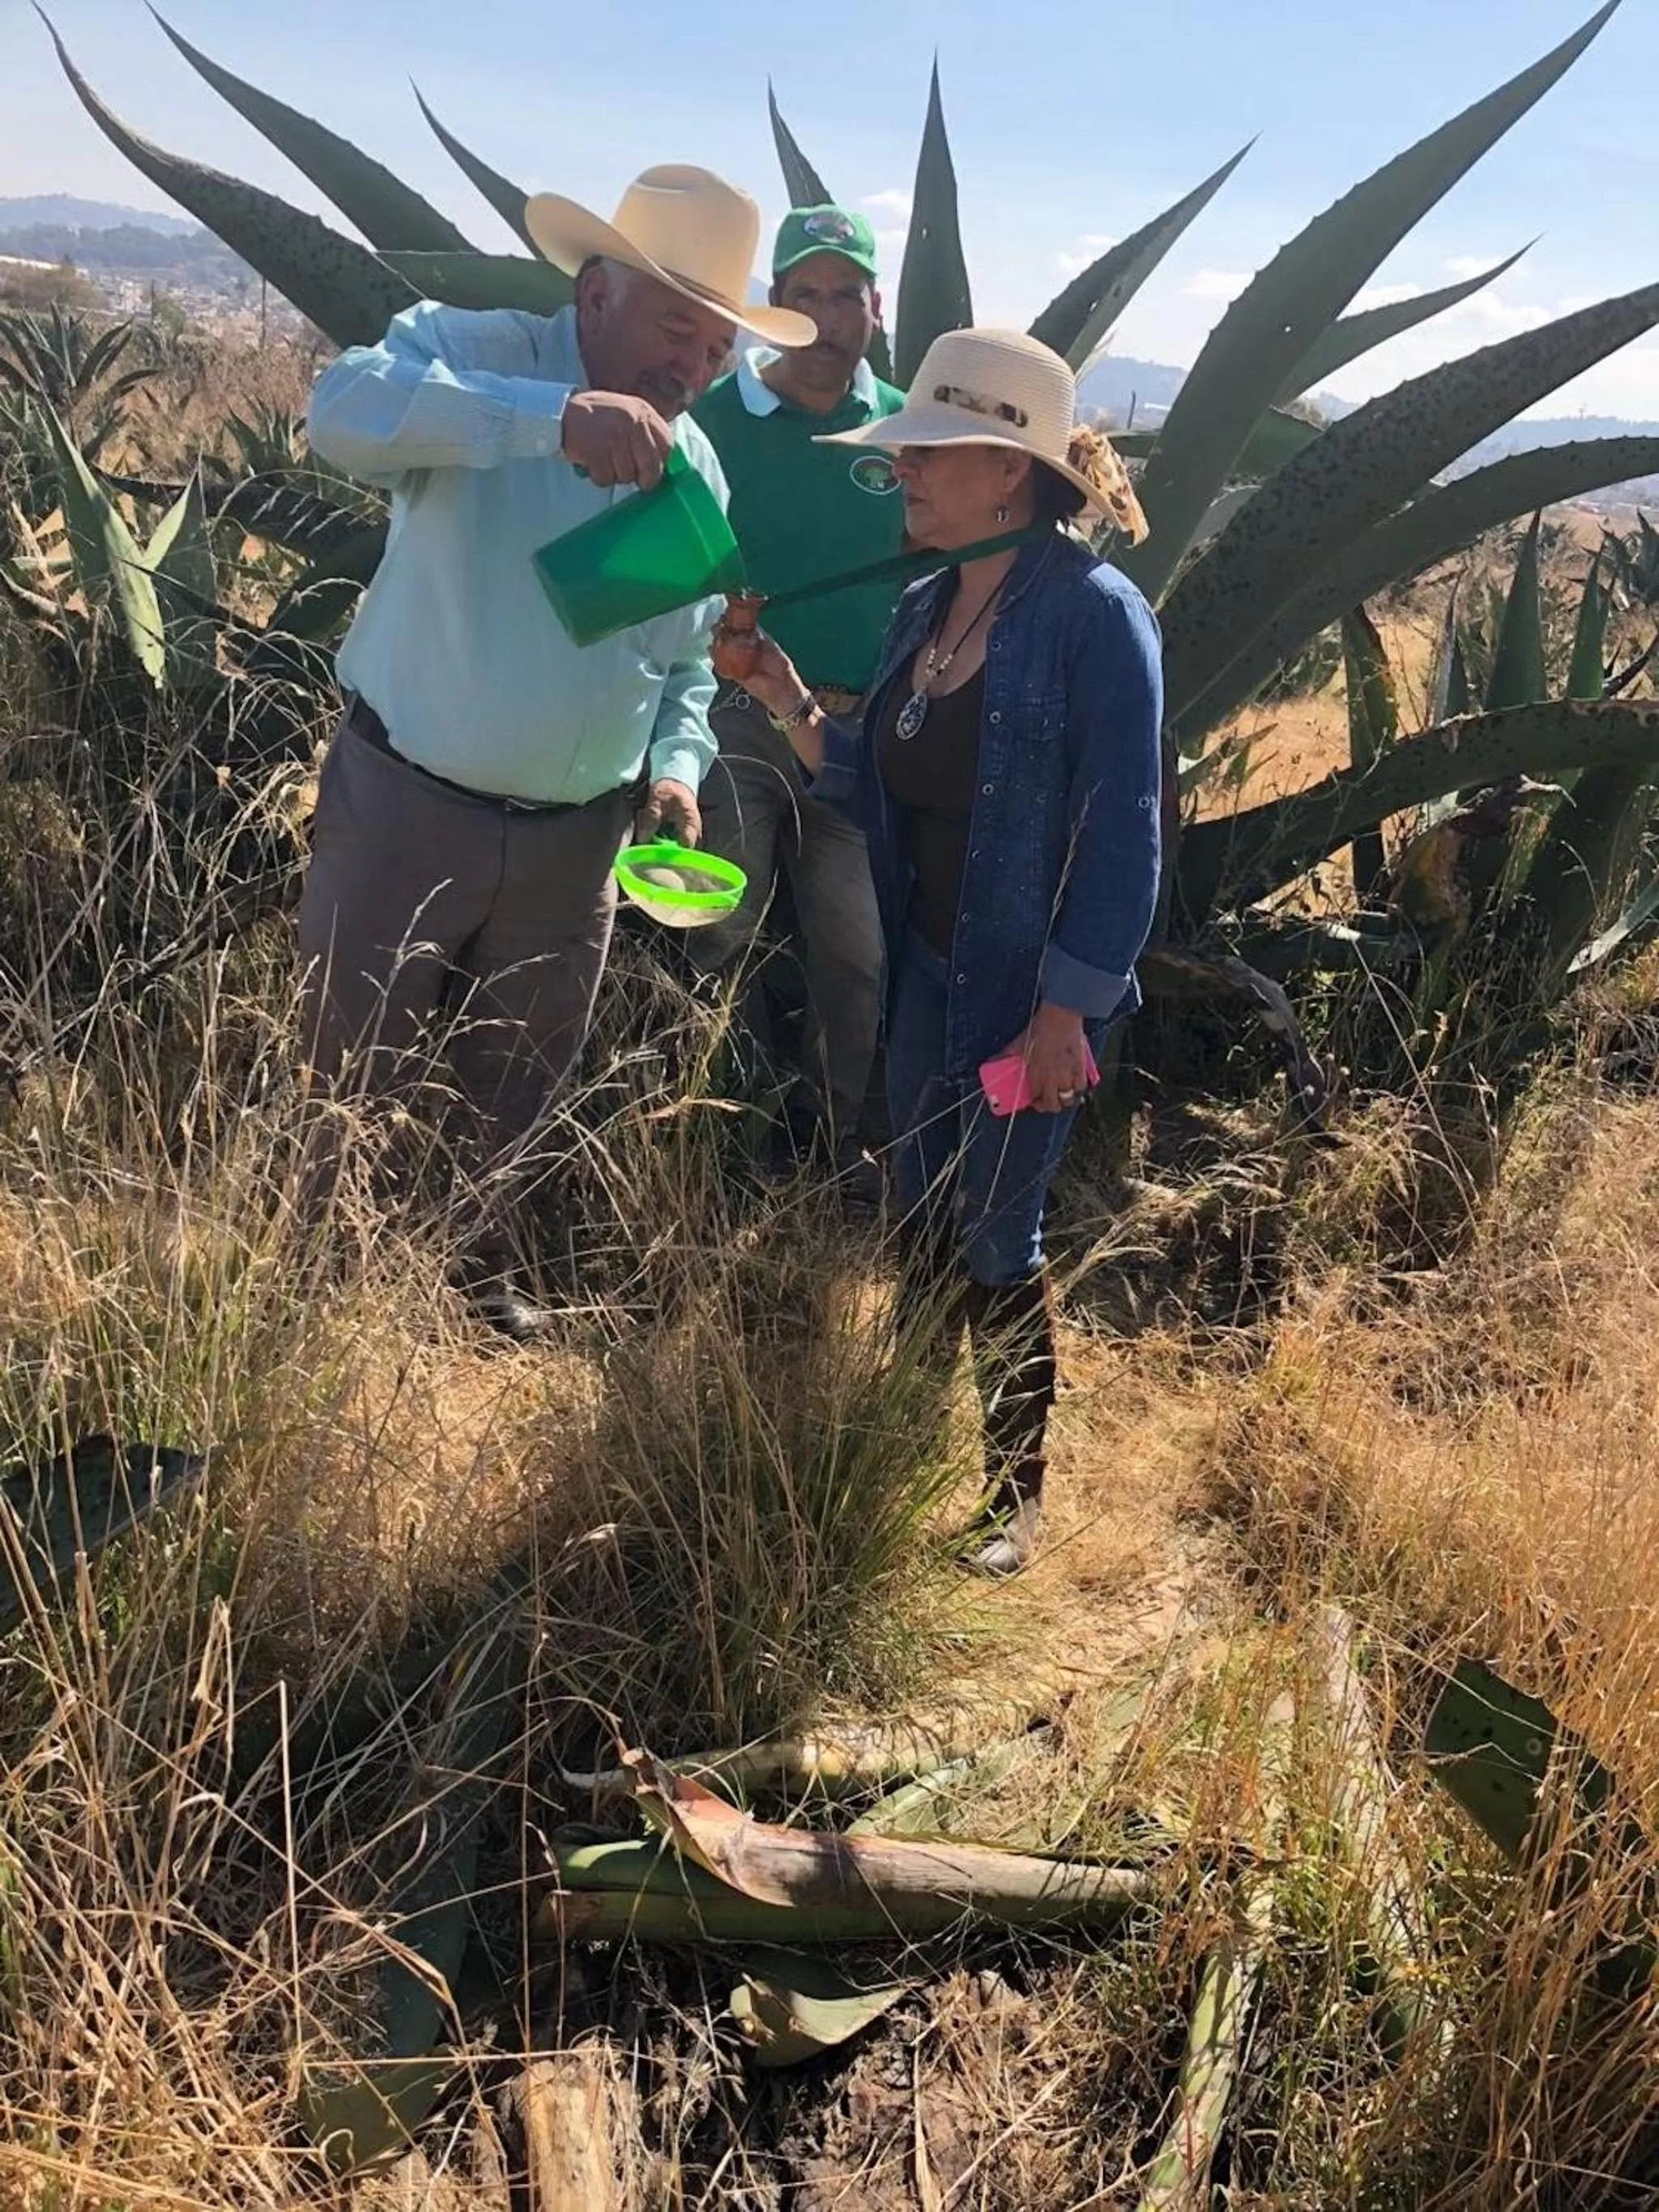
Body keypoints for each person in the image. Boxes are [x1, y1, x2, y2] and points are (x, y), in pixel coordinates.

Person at [298, 167, 812, 1338]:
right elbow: (340, 410)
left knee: (517, 1085)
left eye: (716, 344)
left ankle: (474, 1285)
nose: (692, 363)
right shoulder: (476, 349)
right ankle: (316, 1306)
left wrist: (677, 768)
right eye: (675, 326)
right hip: (407, 803)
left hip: (576, 847)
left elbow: (678, 664)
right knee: (348, 1069)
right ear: (594, 294)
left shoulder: (699, 471)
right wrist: (548, 422)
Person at [712, 327, 1162, 1573]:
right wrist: (782, 692)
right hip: (924, 974)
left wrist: (1070, 1006)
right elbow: (872, 782)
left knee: (996, 1228)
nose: (902, 474)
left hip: (1029, 1006)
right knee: (914, 1203)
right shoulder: (924, 606)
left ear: (1006, 473)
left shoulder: (1093, 619)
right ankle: (901, 1434)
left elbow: (1127, 832)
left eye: (927, 454)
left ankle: (1013, 1500)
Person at [688, 207, 905, 1179]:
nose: (825, 315)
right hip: (733, 717)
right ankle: (692, 1121)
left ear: (875, 305)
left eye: (843, 294)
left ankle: (825, 1139)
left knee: (854, 953)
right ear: (772, 308)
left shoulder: (906, 427)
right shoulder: (716, 420)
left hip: (852, 732)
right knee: (718, 924)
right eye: (801, 295)